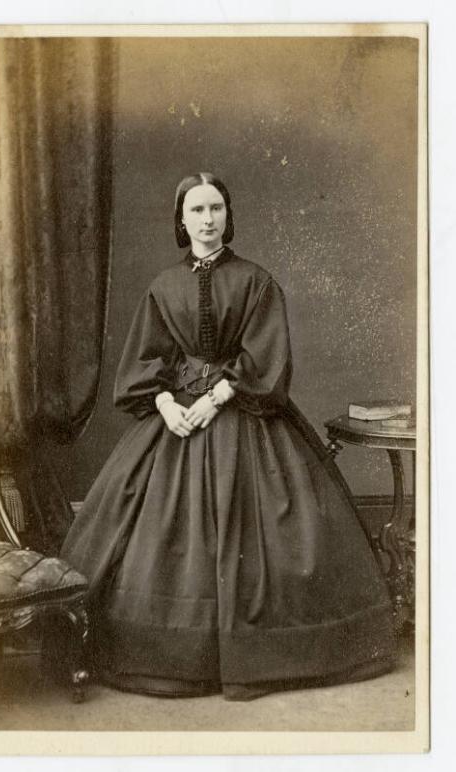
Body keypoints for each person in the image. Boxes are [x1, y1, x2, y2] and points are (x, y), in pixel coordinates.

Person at [60, 172, 397, 701]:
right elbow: (147, 361)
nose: (208, 219)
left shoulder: (257, 282)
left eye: (216, 208)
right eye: (196, 210)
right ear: (181, 219)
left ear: (227, 214)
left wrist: (217, 399)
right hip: (174, 421)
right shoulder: (162, 287)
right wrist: (168, 405)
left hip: (245, 415)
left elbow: (267, 360)